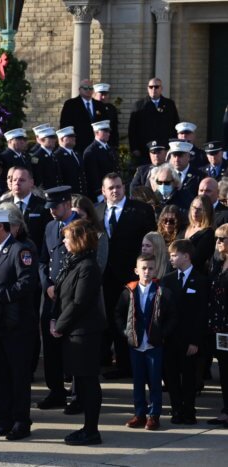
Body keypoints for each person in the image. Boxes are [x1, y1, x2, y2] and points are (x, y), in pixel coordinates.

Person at [0, 209, 37, 441]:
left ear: (1, 227)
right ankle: (3, 419)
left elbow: (28, 282)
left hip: (17, 323)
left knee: (18, 375)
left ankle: (21, 421)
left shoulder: (20, 250)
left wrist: (1, 295)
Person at [95, 173, 156, 379]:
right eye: (110, 188)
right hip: (105, 277)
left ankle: (131, 365)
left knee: (132, 319)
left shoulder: (140, 210)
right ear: (103, 191)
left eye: (118, 187)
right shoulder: (97, 211)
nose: (115, 191)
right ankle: (114, 362)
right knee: (111, 320)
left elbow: (149, 245)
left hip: (131, 275)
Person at [52, 219, 106, 445]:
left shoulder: (88, 266)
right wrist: (54, 319)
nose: (63, 241)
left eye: (67, 237)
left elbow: (79, 302)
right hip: (72, 331)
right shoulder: (74, 262)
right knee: (81, 382)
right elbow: (60, 293)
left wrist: (59, 326)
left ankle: (92, 430)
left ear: (79, 240)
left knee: (88, 381)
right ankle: (87, 427)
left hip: (85, 333)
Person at [115, 254, 176, 431]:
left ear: (155, 270)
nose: (147, 272)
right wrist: (126, 332)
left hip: (154, 344)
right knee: (138, 380)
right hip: (135, 343)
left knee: (155, 381)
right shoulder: (129, 291)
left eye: (150, 268)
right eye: (143, 268)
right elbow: (118, 314)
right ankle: (139, 413)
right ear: (136, 270)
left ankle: (154, 415)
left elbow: (172, 317)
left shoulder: (162, 291)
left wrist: (162, 334)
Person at [36, 186, 78, 410]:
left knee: (73, 347)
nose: (52, 211)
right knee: (51, 347)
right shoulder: (51, 226)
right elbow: (43, 260)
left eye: (56, 206)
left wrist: (63, 288)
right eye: (49, 207)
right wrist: (47, 285)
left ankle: (78, 395)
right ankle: (56, 391)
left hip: (71, 295)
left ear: (68, 203)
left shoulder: (82, 226)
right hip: (52, 296)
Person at [160, 239, 208, 425]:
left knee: (189, 377)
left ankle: (189, 410)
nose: (171, 259)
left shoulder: (201, 280)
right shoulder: (168, 279)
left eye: (174, 255)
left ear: (186, 256)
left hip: (189, 339)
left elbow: (201, 314)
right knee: (171, 376)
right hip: (170, 338)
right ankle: (177, 409)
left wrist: (196, 341)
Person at [128, 77, 180, 166]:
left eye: (156, 87)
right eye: (151, 87)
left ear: (161, 88)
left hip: (165, 150)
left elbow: (175, 126)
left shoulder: (169, 104)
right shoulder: (139, 105)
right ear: (147, 88)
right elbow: (132, 129)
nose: (153, 89)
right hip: (144, 151)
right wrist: (134, 148)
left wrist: (173, 146)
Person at [207, 223, 228, 427]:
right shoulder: (217, 263)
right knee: (223, 368)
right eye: (216, 239)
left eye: (222, 238)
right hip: (218, 325)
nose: (218, 242)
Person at [59, 79, 106, 153]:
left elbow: (104, 124)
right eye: (85, 88)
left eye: (90, 88)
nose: (88, 90)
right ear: (80, 89)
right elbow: (65, 124)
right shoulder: (71, 104)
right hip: (78, 145)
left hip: (97, 145)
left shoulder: (99, 105)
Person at [177, 195, 215, 274]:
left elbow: (198, 259)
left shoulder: (208, 234)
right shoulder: (183, 227)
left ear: (207, 211)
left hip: (193, 275)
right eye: (193, 207)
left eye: (199, 209)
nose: (195, 212)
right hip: (175, 272)